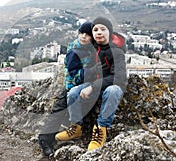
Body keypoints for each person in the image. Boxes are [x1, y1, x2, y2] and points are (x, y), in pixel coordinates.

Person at [55, 16, 127, 151]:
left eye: (103, 29)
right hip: (94, 85)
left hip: (110, 86)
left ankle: (101, 130)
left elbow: (119, 78)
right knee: (73, 93)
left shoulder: (117, 52)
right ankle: (76, 127)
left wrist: (92, 87)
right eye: (95, 30)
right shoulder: (93, 48)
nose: (99, 32)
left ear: (110, 32)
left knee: (114, 91)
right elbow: (77, 47)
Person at [38, 21, 98, 156]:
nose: (83, 36)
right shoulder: (74, 51)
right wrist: (91, 72)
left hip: (85, 86)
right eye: (81, 33)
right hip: (72, 86)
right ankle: (44, 140)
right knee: (58, 111)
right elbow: (74, 75)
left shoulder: (91, 49)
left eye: (87, 35)